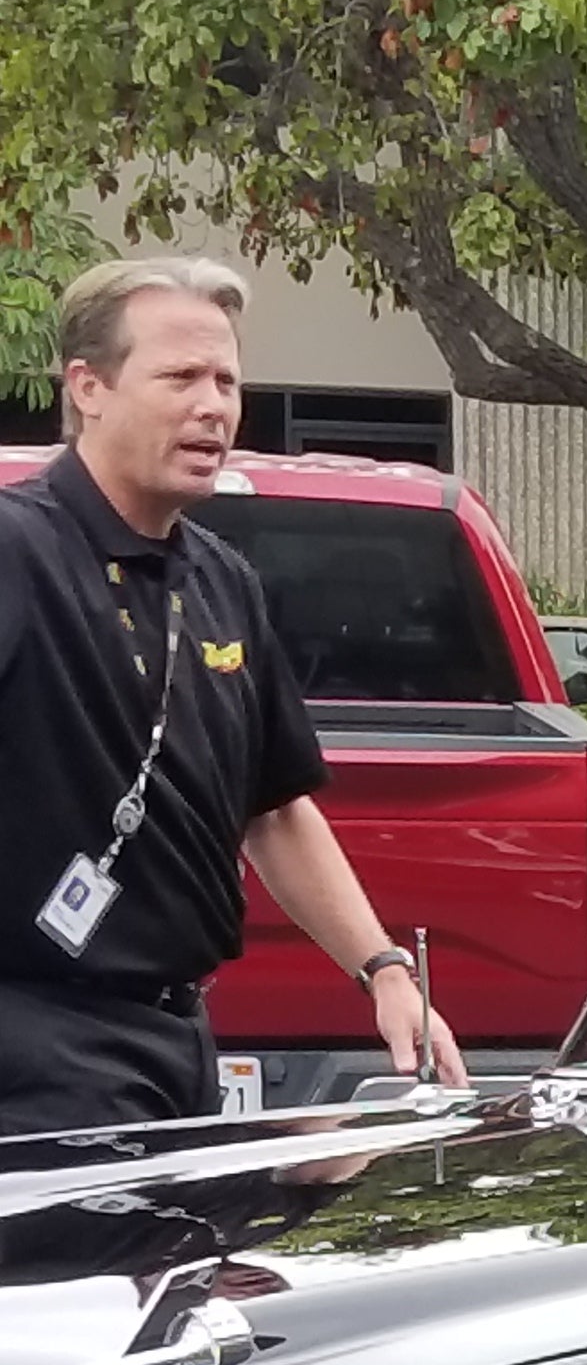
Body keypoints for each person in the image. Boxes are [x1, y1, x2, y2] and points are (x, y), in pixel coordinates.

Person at [0, 255, 460, 1133]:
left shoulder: (221, 580)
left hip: (181, 1039)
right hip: (38, 1049)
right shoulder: (17, 550)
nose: (212, 406)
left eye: (225, 381)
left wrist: (383, 970)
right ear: (88, 387)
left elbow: (274, 810)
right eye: (179, 378)